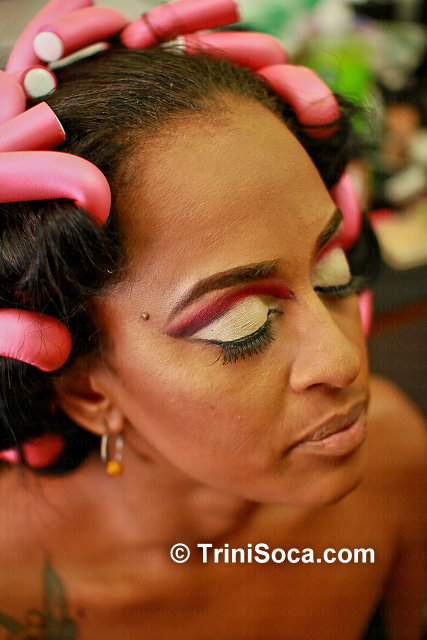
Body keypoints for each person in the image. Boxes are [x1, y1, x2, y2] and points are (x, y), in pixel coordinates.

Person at [0, 1, 426, 638]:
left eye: (332, 273)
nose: (342, 360)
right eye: (242, 324)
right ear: (89, 390)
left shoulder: (394, 458)